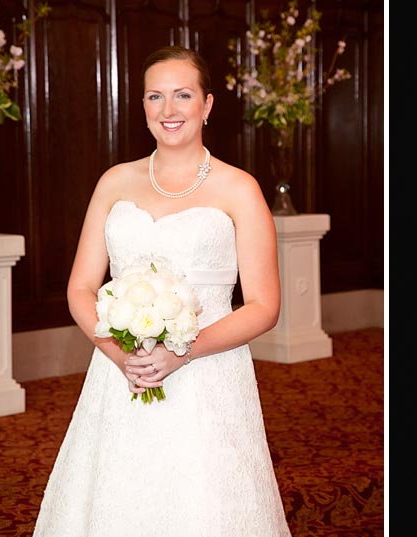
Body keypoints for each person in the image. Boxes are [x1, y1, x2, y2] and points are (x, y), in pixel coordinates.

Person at [33, 46, 291, 536]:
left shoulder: (240, 189)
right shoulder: (114, 182)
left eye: (182, 95)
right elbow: (82, 286)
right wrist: (117, 353)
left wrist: (182, 352)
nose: (168, 110)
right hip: (121, 372)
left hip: (209, 373)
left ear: (207, 105)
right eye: (155, 96)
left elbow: (264, 306)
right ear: (144, 105)